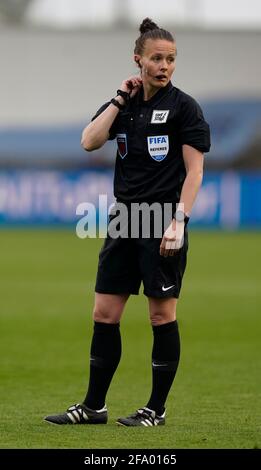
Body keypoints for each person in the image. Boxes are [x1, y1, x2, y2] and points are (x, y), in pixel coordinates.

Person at [45, 17, 210, 427]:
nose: (164, 66)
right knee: (104, 313)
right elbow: (89, 141)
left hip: (162, 220)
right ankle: (94, 407)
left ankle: (156, 410)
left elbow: (195, 173)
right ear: (138, 59)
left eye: (171, 59)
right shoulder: (126, 104)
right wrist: (119, 98)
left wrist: (179, 221)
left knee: (160, 316)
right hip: (124, 219)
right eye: (156, 58)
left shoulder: (184, 107)